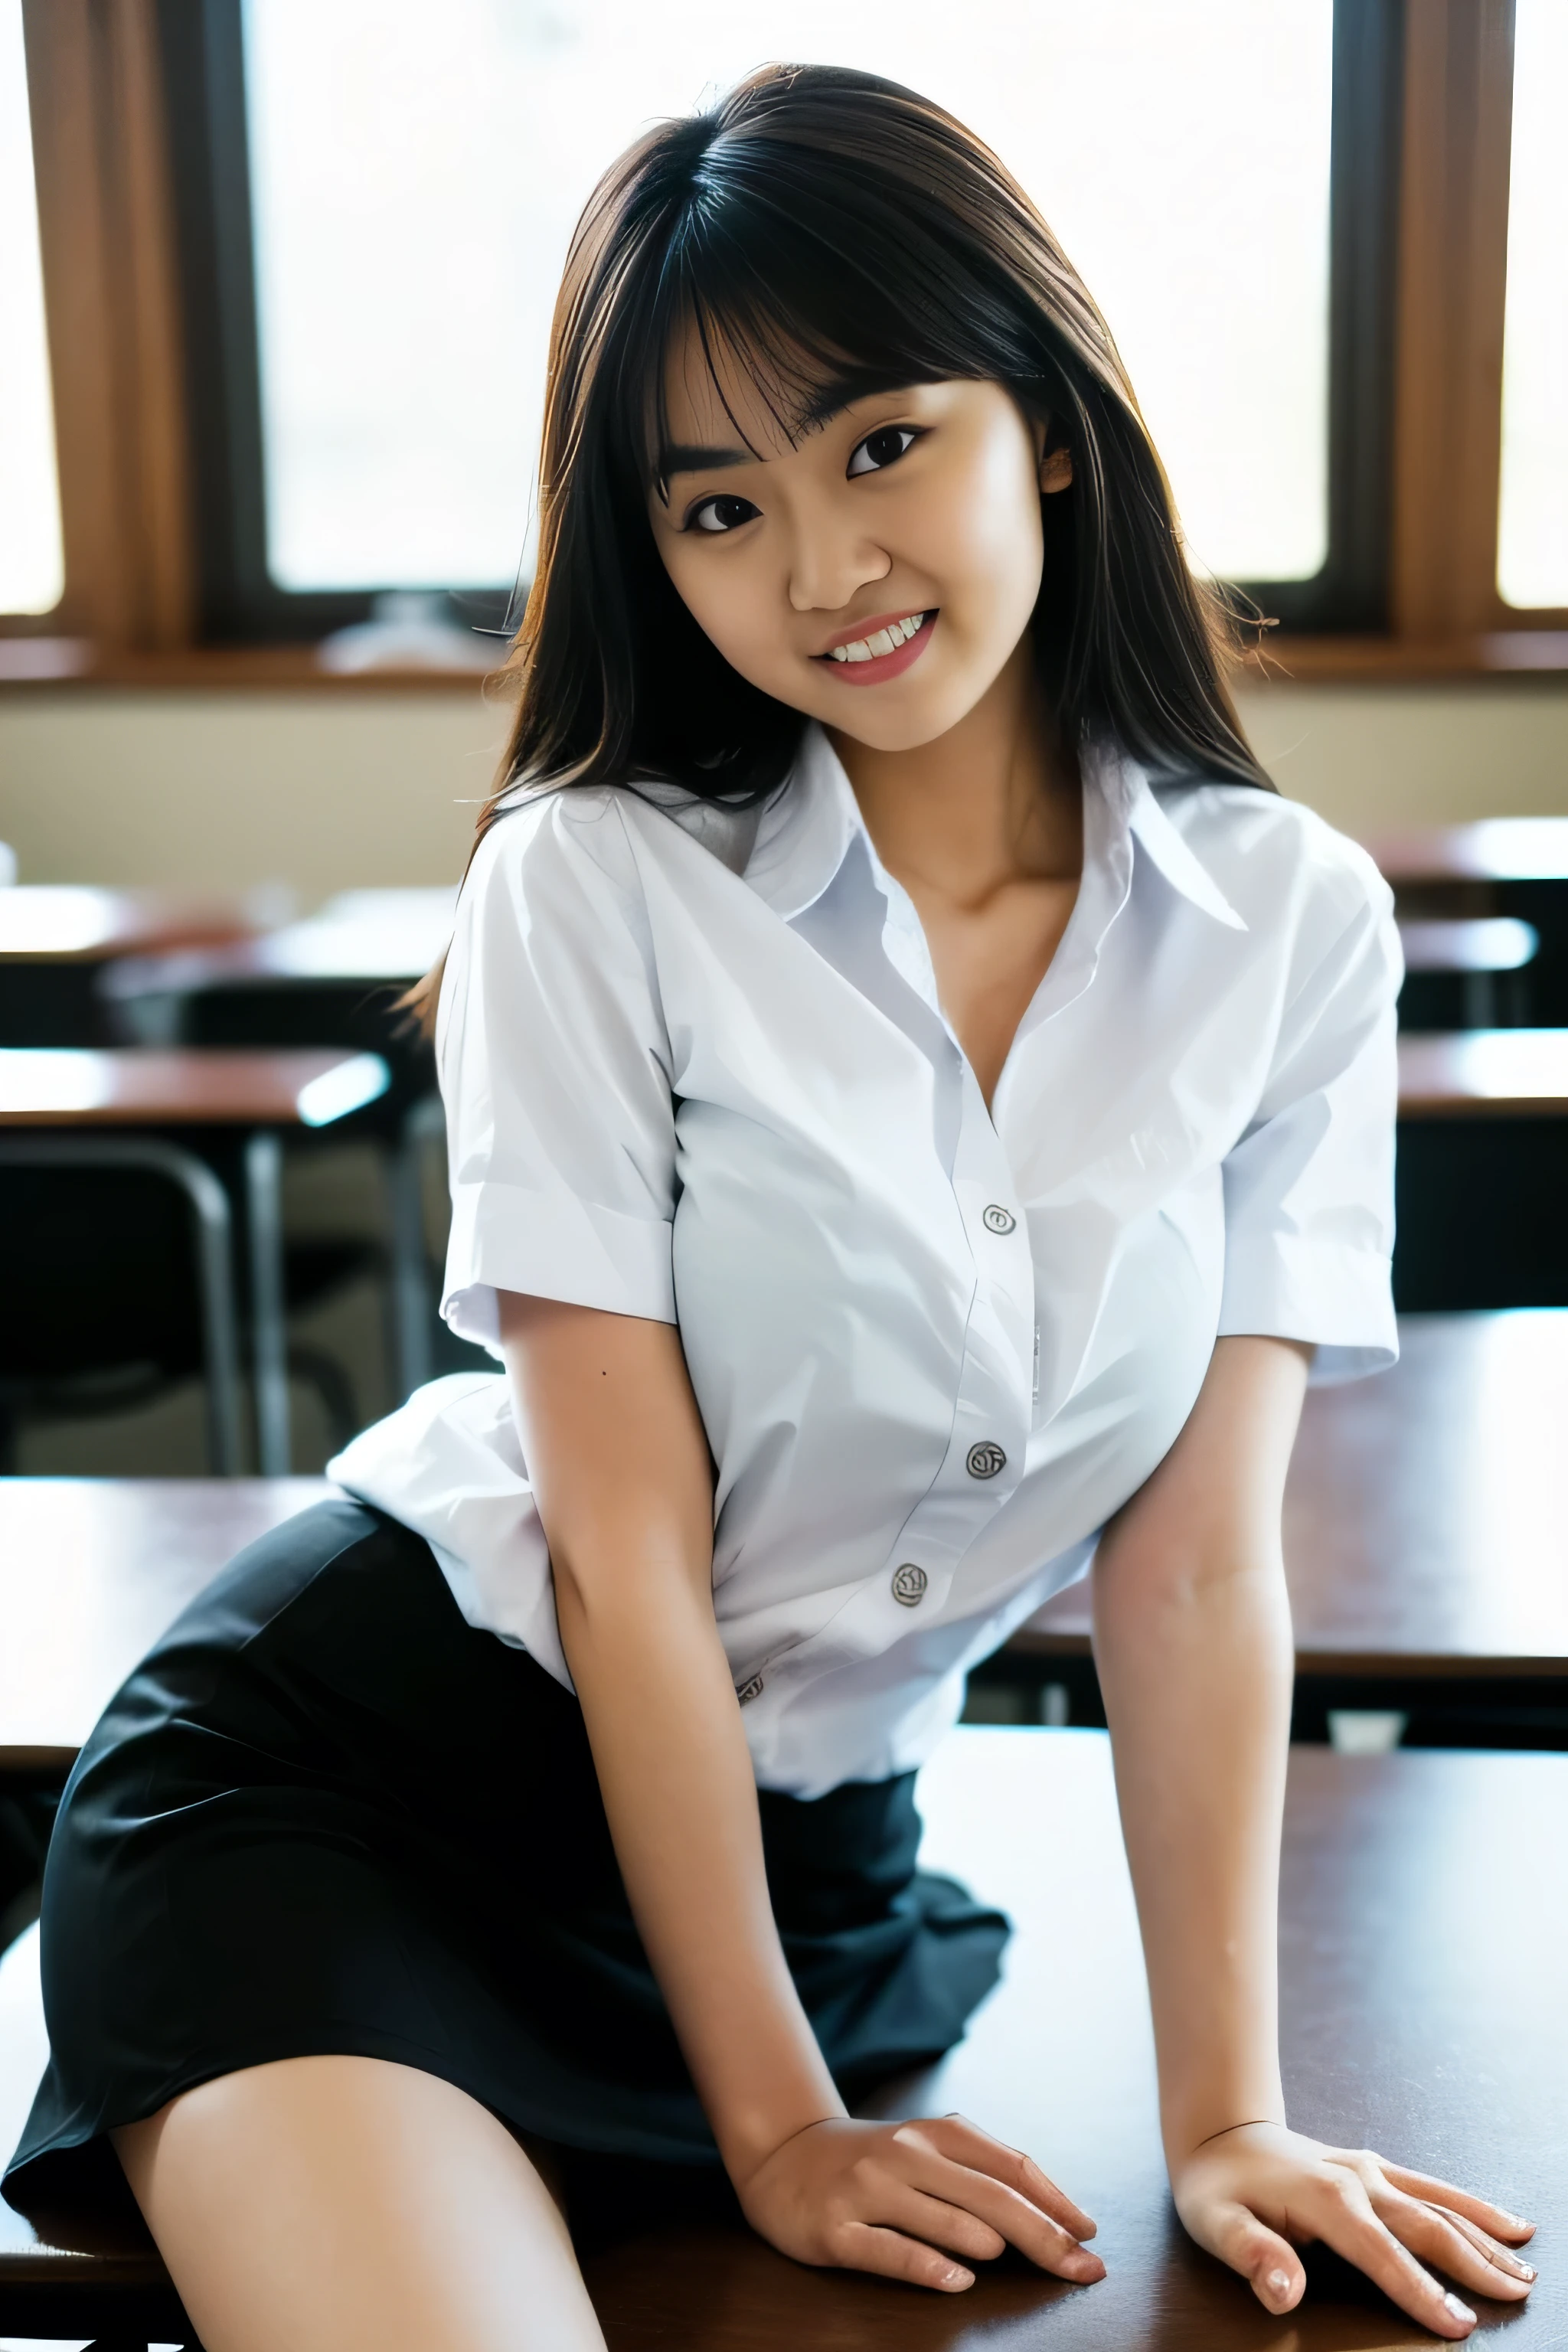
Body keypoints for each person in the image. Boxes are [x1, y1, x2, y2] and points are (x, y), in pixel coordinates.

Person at [4, 63, 1537, 2350]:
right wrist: (780, 2127)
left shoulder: (1283, 927)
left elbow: (1199, 1558)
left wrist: (1227, 2110)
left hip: (808, 1878)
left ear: (1054, 419)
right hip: (355, 1806)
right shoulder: (593, 885)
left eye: (882, 444)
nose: (819, 567)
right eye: (716, 507)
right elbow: (625, 1561)